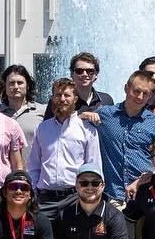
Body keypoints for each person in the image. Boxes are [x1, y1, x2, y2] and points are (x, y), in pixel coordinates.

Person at [27, 79, 101, 219]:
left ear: (75, 99)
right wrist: (34, 194)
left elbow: (93, 166)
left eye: (67, 95)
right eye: (58, 95)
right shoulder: (42, 128)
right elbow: (34, 166)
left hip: (74, 198)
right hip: (45, 200)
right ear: (52, 98)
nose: (62, 99)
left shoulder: (87, 129)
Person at [91, 70, 155, 203]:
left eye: (145, 94)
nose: (140, 97)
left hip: (146, 194)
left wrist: (142, 180)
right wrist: (83, 115)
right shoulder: (104, 115)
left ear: (150, 96)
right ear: (126, 88)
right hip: (113, 196)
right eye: (136, 91)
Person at [1, 64, 46, 146]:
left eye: (20, 83)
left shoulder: (42, 111)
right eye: (11, 83)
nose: (16, 87)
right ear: (4, 86)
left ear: (27, 86)